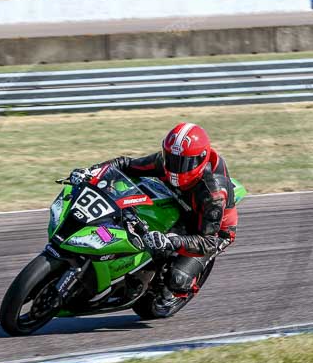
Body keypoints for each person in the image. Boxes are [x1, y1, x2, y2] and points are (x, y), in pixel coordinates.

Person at [95, 122, 238, 298]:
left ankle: (180, 287)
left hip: (211, 231)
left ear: (200, 159)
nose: (175, 167)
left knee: (177, 279)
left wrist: (172, 241)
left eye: (183, 163)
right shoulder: (164, 162)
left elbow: (208, 241)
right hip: (178, 202)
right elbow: (125, 164)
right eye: (171, 159)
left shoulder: (213, 194)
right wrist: (94, 171)